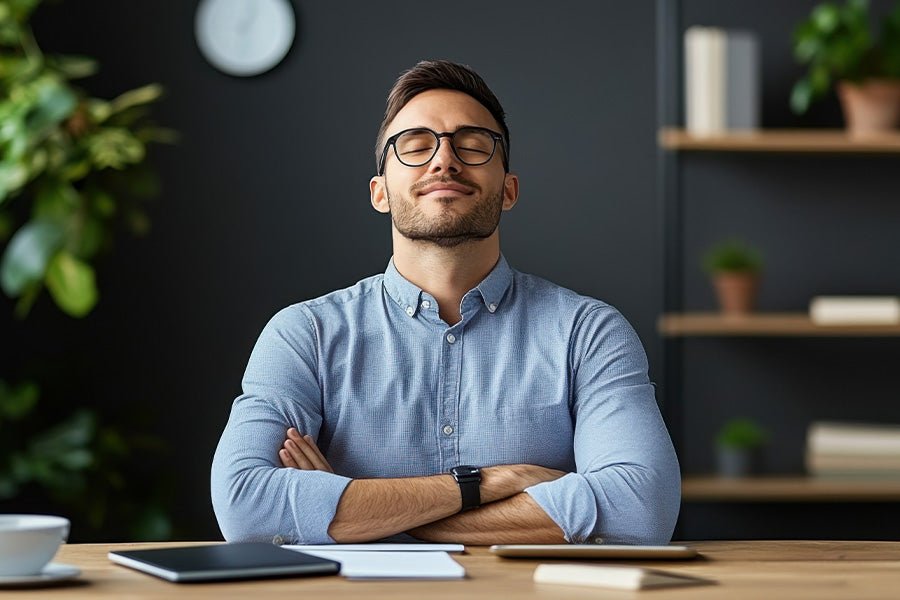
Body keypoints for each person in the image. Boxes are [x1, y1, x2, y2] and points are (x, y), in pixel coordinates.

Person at [211, 59, 680, 546]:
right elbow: (246, 507)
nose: (444, 160)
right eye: (415, 146)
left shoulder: (589, 333)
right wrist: (488, 484)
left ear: (509, 190)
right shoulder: (303, 334)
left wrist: (357, 511)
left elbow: (641, 509)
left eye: (473, 145)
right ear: (380, 193)